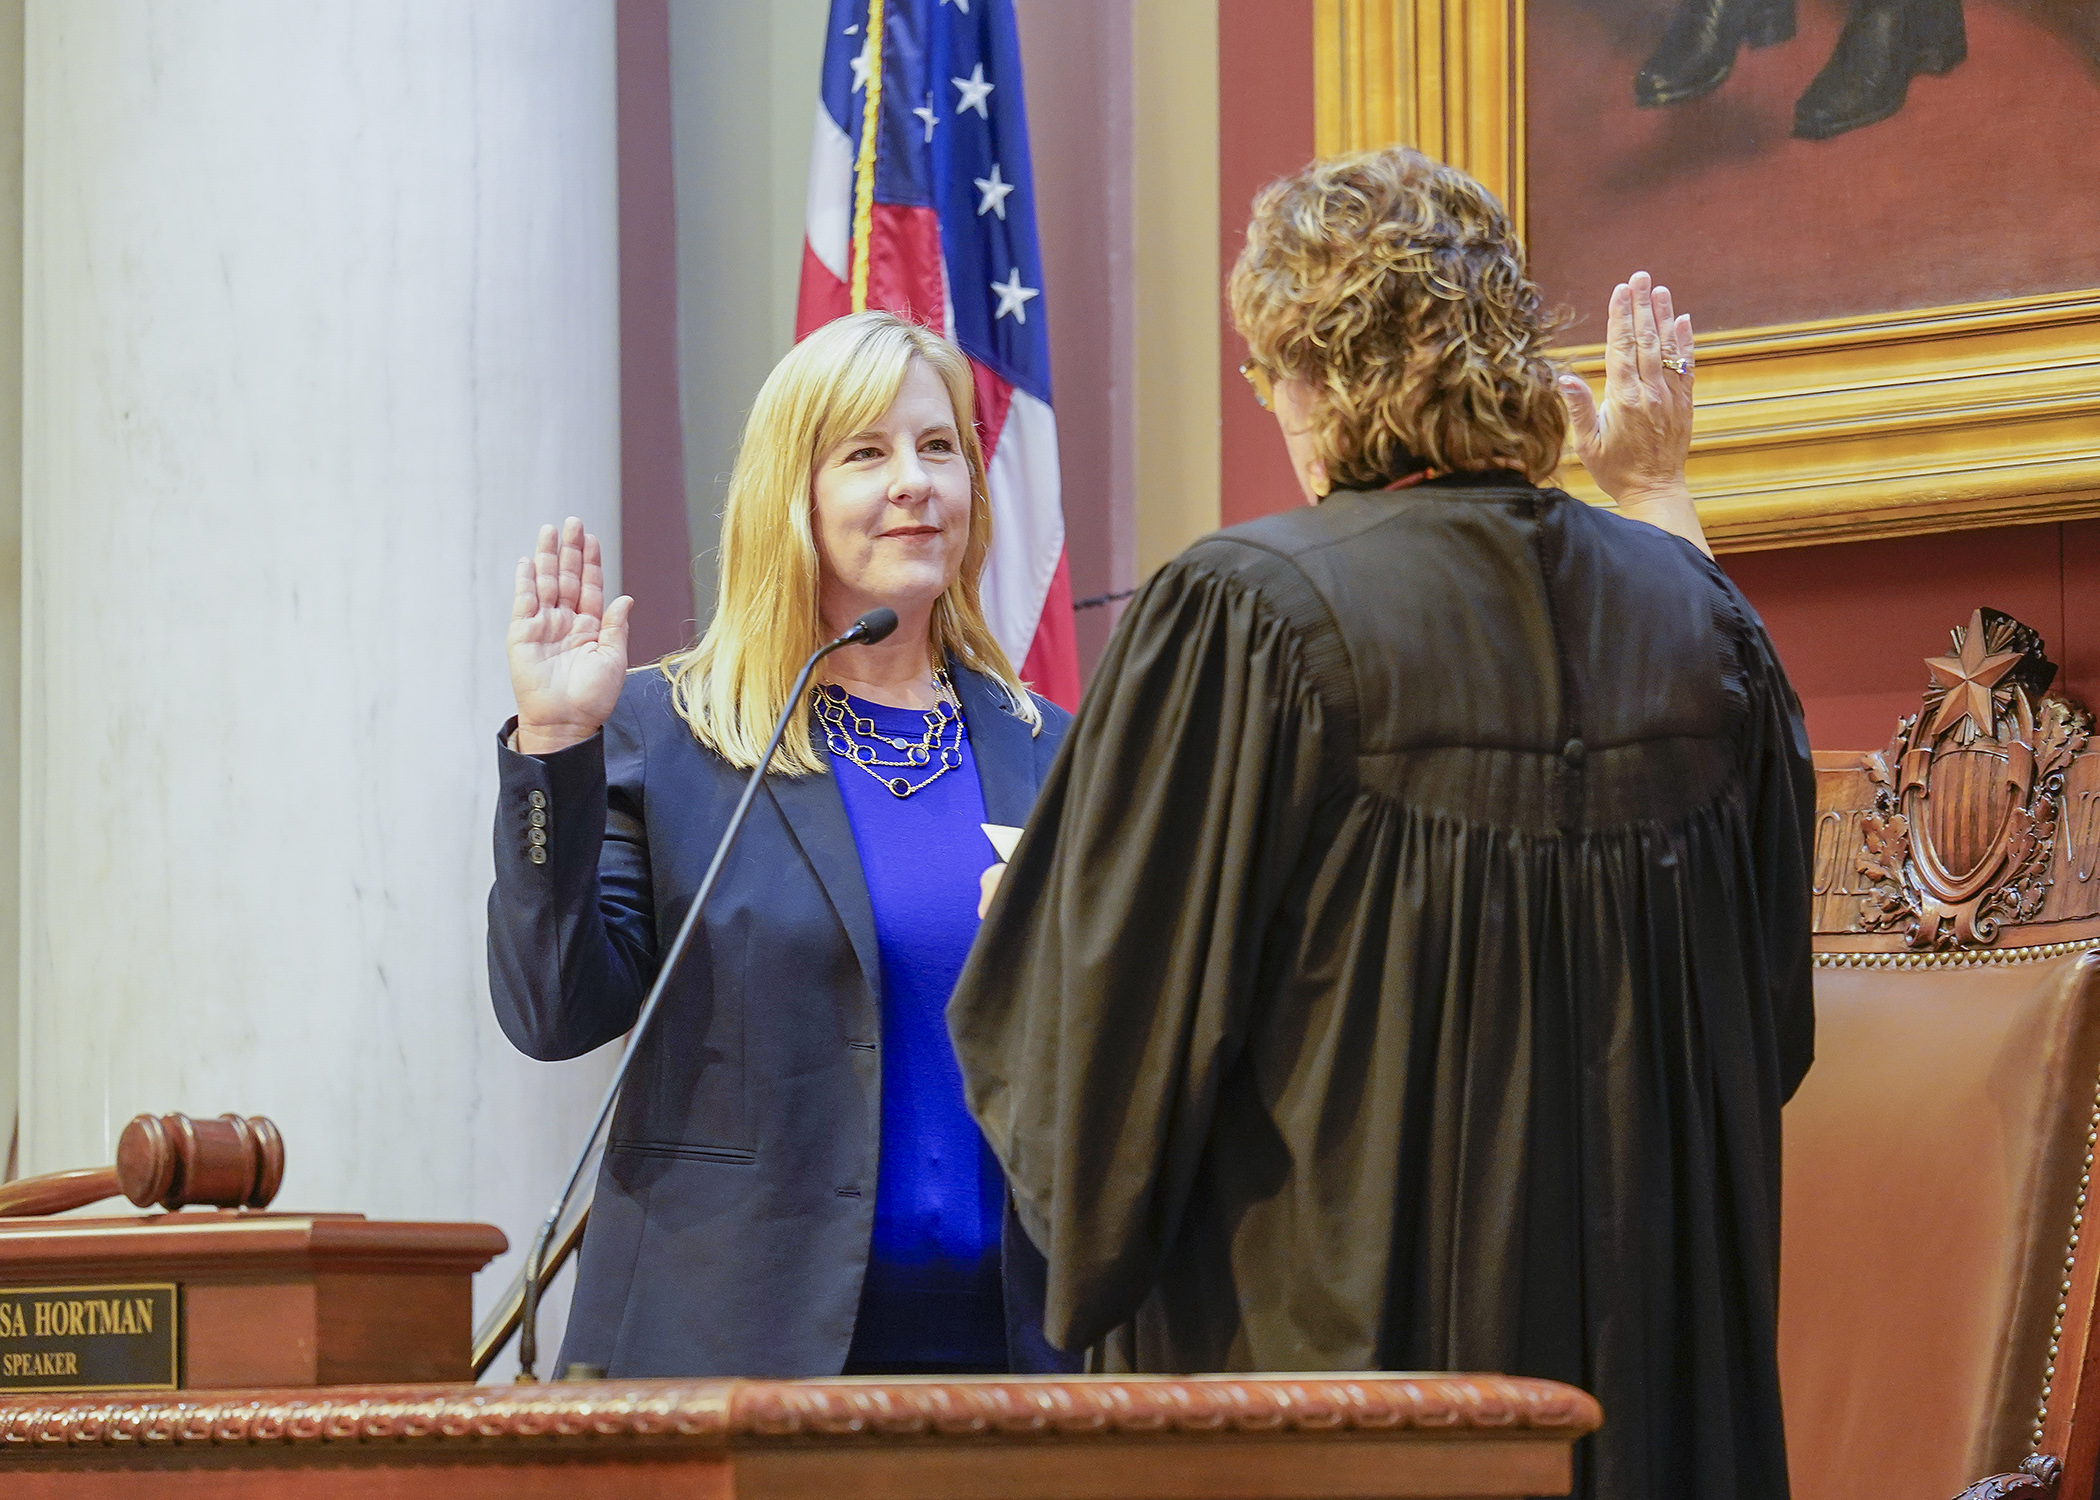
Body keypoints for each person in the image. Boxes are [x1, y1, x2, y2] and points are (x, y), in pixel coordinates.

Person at [950, 147, 1814, 1500]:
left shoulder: (1246, 609)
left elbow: (1098, 1092)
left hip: (1354, 1415)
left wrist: (1043, 937)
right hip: (1651, 1409)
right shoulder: (1701, 624)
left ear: (1320, 370)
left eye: (1268, 370)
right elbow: (1770, 1027)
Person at [487, 311, 1075, 1378]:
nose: (915, 482)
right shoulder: (667, 737)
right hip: (735, 1355)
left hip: (1009, 1359)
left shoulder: (1055, 752)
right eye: (867, 452)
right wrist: (556, 746)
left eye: (938, 447)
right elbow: (553, 1011)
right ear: (790, 496)